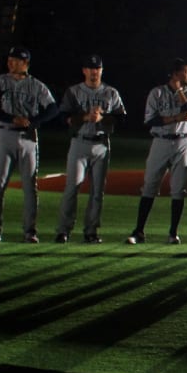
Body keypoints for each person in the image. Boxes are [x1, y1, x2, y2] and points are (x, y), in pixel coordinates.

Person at [0, 46, 58, 243]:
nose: (10, 63)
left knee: (30, 186)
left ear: (25, 63)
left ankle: (30, 231)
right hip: (5, 135)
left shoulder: (36, 86)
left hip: (28, 137)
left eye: (15, 60)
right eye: (10, 60)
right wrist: (11, 118)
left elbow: (53, 108)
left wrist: (33, 121)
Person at [126, 58, 187, 245]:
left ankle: (173, 233)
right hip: (160, 141)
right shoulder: (157, 93)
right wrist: (175, 117)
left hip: (184, 142)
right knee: (150, 185)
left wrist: (179, 92)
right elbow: (150, 121)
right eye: (186, 72)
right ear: (176, 74)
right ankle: (139, 231)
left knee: (178, 190)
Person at [54, 54, 127, 244]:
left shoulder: (111, 92)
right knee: (72, 188)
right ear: (84, 70)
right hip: (79, 142)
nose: (94, 72)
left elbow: (122, 118)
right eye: (90, 68)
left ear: (102, 70)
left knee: (97, 192)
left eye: (97, 68)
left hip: (102, 144)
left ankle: (91, 231)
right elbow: (62, 116)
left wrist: (103, 118)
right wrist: (85, 117)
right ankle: (63, 230)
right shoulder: (74, 91)